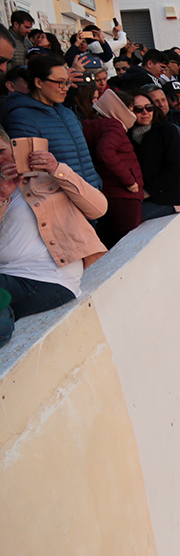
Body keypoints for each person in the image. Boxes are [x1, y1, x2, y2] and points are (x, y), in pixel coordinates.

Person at [0, 131, 107, 347]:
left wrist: (57, 169)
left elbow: (98, 208)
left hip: (49, 280)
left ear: (12, 148)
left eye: (1, 151)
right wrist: (2, 196)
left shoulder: (46, 176)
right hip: (11, 278)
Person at [5, 55, 101, 190]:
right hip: (60, 199)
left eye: (67, 82)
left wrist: (95, 183)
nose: (65, 88)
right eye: (60, 82)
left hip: (90, 193)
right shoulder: (22, 118)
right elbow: (31, 173)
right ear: (38, 83)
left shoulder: (68, 113)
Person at [75, 88, 142, 247]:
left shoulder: (96, 126)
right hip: (124, 195)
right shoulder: (114, 125)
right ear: (120, 108)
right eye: (131, 108)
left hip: (111, 193)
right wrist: (130, 181)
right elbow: (106, 151)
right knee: (128, 245)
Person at [121, 91, 180, 220]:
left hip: (168, 198)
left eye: (149, 108)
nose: (145, 112)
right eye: (138, 109)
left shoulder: (167, 130)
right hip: (141, 197)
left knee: (130, 218)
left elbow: (175, 169)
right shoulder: (127, 135)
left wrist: (147, 192)